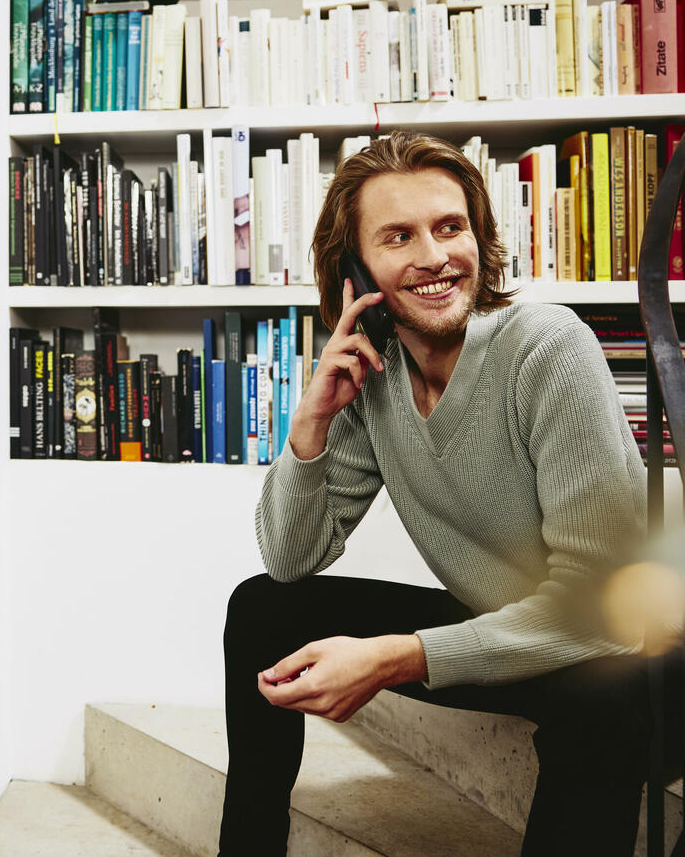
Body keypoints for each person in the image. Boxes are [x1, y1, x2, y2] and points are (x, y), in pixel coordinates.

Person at [218, 130, 680, 856]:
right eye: (397, 236)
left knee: (604, 699)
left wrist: (398, 656)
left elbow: (600, 614)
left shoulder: (546, 346)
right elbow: (288, 557)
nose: (433, 257)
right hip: (511, 634)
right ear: (355, 269)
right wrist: (308, 426)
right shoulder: (373, 378)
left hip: (636, 653)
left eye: (449, 227)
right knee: (261, 606)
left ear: (478, 238)